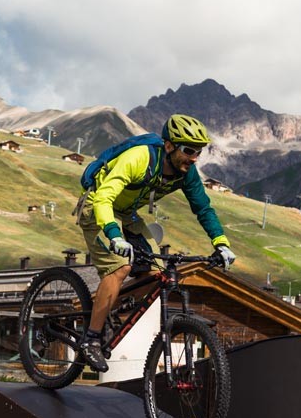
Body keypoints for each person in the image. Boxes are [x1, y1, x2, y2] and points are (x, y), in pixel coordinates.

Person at [75, 114, 236, 372]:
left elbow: (203, 208)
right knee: (120, 268)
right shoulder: (139, 158)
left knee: (154, 274)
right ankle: (91, 339)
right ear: (169, 145)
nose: (194, 158)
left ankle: (109, 306)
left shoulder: (187, 173)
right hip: (98, 207)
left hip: (127, 214)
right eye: (189, 150)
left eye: (199, 152)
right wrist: (115, 235)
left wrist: (221, 243)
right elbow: (104, 197)